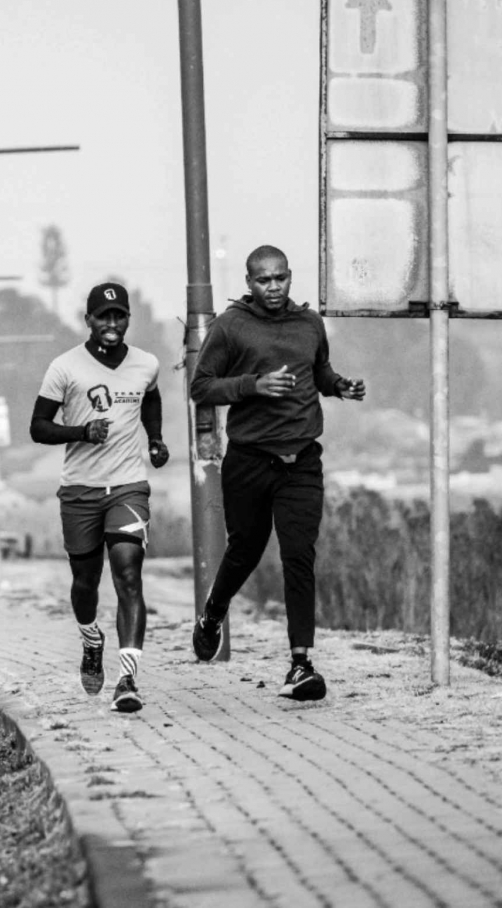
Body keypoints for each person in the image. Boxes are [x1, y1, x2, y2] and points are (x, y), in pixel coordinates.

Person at [189, 246, 365, 701]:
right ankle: (213, 612)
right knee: (245, 549)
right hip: (249, 461)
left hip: (301, 460)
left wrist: (339, 386)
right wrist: (253, 386)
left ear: (290, 278)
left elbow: (318, 371)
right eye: (264, 280)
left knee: (299, 555)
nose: (273, 287)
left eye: (280, 279)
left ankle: (301, 664)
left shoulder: (309, 324)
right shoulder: (231, 326)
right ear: (249, 282)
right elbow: (201, 386)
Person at [31, 282, 168, 713]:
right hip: (80, 491)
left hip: (128, 485)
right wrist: (81, 432)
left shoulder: (146, 364)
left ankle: (127, 678)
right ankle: (92, 639)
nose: (112, 324)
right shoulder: (64, 367)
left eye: (119, 316)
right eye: (103, 316)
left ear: (128, 319)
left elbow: (151, 399)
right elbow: (38, 427)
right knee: (85, 583)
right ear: (88, 320)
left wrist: (157, 440)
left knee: (128, 573)